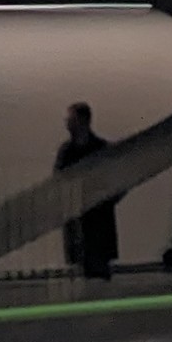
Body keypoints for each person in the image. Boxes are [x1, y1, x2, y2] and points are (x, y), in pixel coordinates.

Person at [55, 102, 119, 282]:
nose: (67, 123)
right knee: (82, 265)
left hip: (96, 217)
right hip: (80, 216)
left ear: (82, 121)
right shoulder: (70, 151)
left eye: (71, 119)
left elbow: (114, 182)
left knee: (97, 266)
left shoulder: (97, 148)